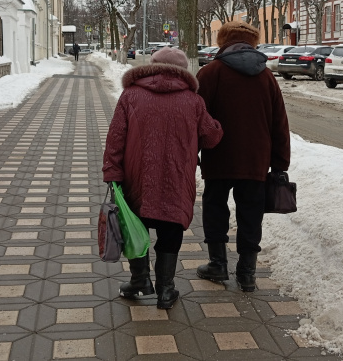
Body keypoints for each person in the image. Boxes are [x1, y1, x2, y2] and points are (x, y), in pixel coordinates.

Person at [103, 47, 223, 309]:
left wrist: (112, 173)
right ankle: (166, 290)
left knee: (136, 226)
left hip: (136, 176)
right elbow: (211, 137)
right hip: (177, 177)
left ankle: (140, 281)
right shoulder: (193, 101)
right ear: (183, 70)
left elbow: (115, 138)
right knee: (171, 227)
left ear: (153, 65)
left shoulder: (131, 95)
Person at [195, 21, 290, 292]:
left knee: (215, 209)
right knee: (251, 213)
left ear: (223, 41)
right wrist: (280, 163)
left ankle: (218, 264)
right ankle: (247, 273)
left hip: (219, 156)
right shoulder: (266, 76)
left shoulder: (210, 73)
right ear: (253, 42)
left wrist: (194, 153)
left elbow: (198, 119)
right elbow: (279, 123)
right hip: (256, 160)